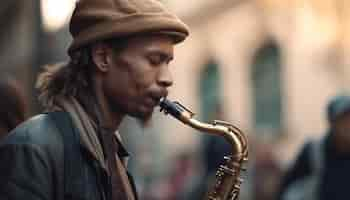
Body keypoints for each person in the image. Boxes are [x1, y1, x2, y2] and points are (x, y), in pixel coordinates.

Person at [0, 0, 189, 199]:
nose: (167, 78)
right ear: (102, 57)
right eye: (154, 60)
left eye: (167, 62)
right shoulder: (32, 147)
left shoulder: (114, 155)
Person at [277, 94, 350, 200]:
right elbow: (287, 186)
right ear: (332, 123)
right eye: (343, 120)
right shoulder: (314, 151)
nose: (348, 124)